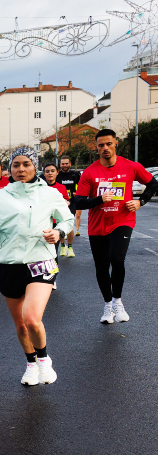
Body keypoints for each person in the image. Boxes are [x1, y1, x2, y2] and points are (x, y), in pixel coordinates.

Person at [0, 147, 73, 385]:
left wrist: (58, 232)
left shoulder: (49, 194)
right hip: (10, 263)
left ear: (34, 166)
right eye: (16, 165)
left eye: (26, 164)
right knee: (20, 323)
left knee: (31, 318)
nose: (20, 169)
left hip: (41, 261)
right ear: (10, 169)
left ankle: (44, 359)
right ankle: (30, 363)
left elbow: (67, 219)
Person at [73, 129, 158, 323]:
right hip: (98, 225)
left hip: (123, 220)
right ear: (96, 148)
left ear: (116, 144)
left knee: (117, 259)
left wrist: (140, 202)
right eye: (101, 145)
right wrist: (99, 199)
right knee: (102, 266)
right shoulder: (90, 172)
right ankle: (107, 306)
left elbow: (153, 184)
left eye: (108, 144)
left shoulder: (131, 166)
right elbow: (78, 202)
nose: (105, 148)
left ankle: (118, 301)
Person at [41, 163, 68, 270]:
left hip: (56, 222)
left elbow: (67, 200)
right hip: (43, 222)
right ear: (44, 174)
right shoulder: (40, 188)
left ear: (57, 172)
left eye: (52, 171)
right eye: (47, 171)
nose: (50, 173)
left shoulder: (61, 187)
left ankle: (53, 275)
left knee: (53, 250)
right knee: (43, 249)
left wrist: (67, 203)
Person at [56, 156, 81, 251]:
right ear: (60, 165)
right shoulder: (57, 175)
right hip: (60, 203)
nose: (65, 165)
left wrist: (77, 193)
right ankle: (62, 246)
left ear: (70, 164)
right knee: (60, 223)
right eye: (63, 164)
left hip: (71, 203)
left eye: (66, 163)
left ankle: (70, 247)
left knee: (70, 224)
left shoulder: (75, 175)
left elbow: (81, 187)